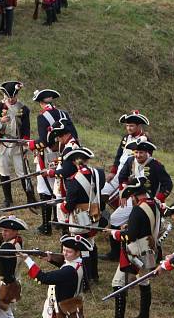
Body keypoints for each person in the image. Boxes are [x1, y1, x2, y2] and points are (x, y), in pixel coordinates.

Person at [107, 183, 161, 318]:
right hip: (149, 250)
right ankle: (144, 315)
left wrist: (116, 233)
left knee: (117, 283)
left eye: (132, 198)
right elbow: (144, 227)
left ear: (135, 196)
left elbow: (131, 236)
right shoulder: (155, 205)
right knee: (144, 281)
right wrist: (129, 228)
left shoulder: (138, 210)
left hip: (136, 251)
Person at [22, 234, 92, 318]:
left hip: (58, 313)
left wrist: (28, 260)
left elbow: (44, 278)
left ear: (78, 253)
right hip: (69, 308)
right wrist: (50, 258)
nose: (65, 253)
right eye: (64, 250)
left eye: (69, 251)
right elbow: (65, 264)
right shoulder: (80, 263)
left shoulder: (69, 271)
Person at [101, 110, 150, 261]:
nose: (129, 128)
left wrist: (126, 187)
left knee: (118, 214)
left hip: (131, 179)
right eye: (127, 126)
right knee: (101, 193)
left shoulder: (144, 141)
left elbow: (141, 166)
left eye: (132, 126)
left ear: (138, 126)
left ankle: (118, 244)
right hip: (119, 174)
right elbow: (119, 156)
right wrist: (113, 171)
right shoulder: (125, 138)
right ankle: (102, 220)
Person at [29, 89, 78, 235]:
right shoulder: (64, 114)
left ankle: (46, 226)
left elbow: (44, 141)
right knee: (58, 187)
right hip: (64, 154)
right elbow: (73, 134)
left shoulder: (42, 117)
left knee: (44, 189)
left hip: (49, 156)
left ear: (41, 103)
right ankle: (57, 220)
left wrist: (32, 144)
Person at [58, 147, 106, 286]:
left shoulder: (74, 180)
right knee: (91, 244)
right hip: (95, 213)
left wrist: (62, 206)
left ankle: (85, 280)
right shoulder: (98, 174)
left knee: (81, 246)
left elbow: (69, 205)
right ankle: (94, 275)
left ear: (76, 163)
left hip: (81, 218)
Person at [0, 81, 32, 207]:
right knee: (4, 170)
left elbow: (26, 129)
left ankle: (30, 198)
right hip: (3, 143)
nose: (11, 99)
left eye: (13, 97)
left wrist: (25, 146)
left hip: (18, 144)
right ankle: (8, 199)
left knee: (23, 172)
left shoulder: (23, 109)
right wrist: (0, 120)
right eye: (9, 97)